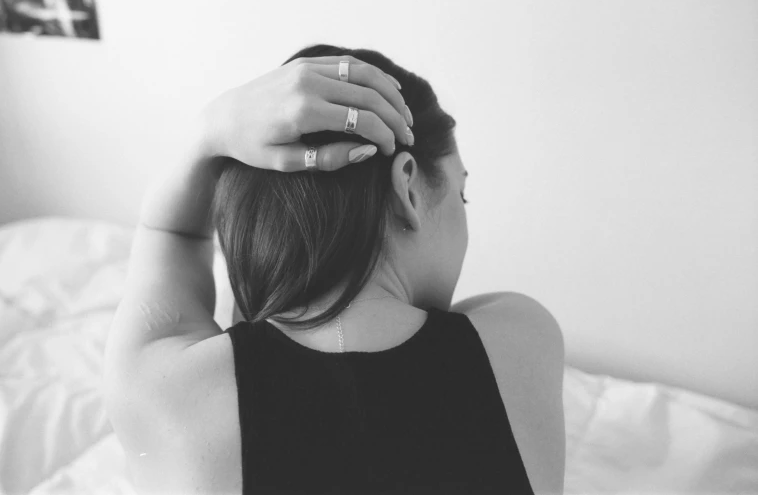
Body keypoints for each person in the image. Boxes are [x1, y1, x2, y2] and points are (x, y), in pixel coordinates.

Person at [103, 44, 566, 495]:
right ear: (407, 186)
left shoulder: (165, 394)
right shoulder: (521, 341)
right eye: (460, 195)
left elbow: (171, 233)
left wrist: (210, 131)